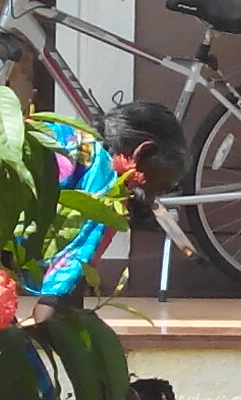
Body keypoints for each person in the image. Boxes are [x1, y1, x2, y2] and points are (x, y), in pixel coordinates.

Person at [29, 101, 189, 302]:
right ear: (142, 153)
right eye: (160, 186)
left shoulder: (73, 142)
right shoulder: (104, 190)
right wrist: (58, 308)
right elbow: (71, 270)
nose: (154, 197)